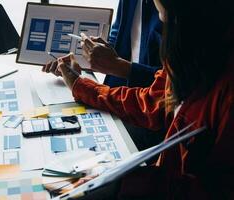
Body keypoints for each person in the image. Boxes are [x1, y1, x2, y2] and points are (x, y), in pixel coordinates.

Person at [45, 0, 234, 198]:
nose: (163, 27)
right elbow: (151, 102)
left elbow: (215, 190)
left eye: (164, 17)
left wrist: (128, 183)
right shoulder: (189, 53)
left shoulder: (225, 92)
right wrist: (79, 84)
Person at [43, 0, 164, 154]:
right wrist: (91, 58)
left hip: (148, 118)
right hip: (118, 99)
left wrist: (115, 67)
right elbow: (119, 33)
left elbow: (168, 87)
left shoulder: (177, 14)